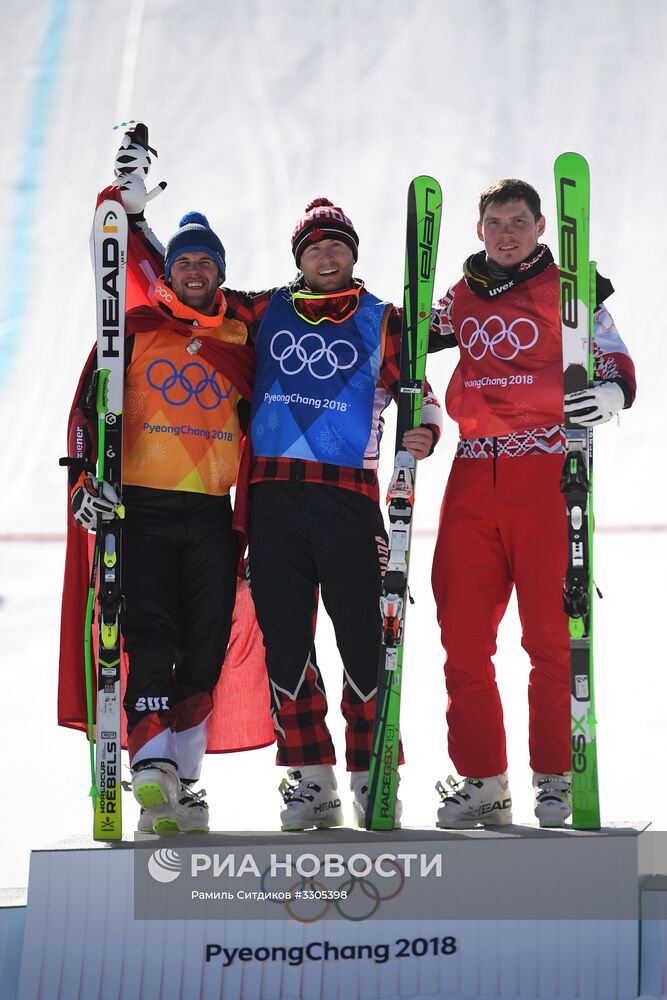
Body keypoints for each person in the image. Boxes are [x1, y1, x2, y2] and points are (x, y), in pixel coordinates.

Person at [59, 125, 273, 833]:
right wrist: (83, 483)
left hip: (212, 512)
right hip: (142, 508)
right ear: (170, 271)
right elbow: (87, 410)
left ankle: (183, 780)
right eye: (184, 262)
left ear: (219, 272)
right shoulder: (134, 325)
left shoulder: (243, 331)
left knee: (206, 643)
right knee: (149, 633)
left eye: (206, 262)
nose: (194, 271)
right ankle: (151, 767)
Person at [428, 178, 636, 829]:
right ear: (479, 230)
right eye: (495, 223)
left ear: (542, 226)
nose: (506, 234)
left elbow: (613, 355)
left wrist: (612, 394)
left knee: (550, 632)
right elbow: (402, 341)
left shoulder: (569, 288)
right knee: (462, 635)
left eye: (518, 221)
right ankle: (483, 781)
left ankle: (554, 776)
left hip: (546, 468)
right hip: (472, 471)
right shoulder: (462, 293)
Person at [244, 198, 442, 831]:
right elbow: (193, 298)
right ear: (299, 258)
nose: (326, 257)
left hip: (348, 499)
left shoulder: (382, 319)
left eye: (337, 246)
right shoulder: (264, 310)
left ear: (353, 254)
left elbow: (422, 397)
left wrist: (424, 432)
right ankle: (313, 780)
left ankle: (370, 773)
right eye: (314, 248)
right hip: (273, 499)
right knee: (285, 639)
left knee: (364, 637)